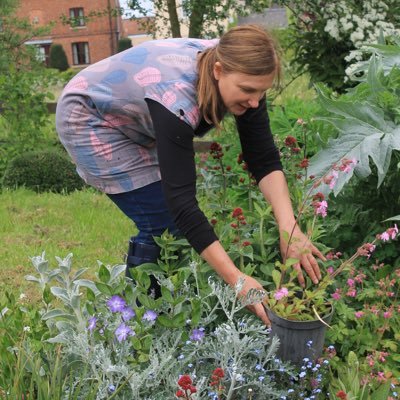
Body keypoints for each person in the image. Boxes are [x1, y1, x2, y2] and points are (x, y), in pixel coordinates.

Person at [56, 24, 325, 325]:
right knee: (163, 224)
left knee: (172, 227)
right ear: (219, 71)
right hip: (89, 117)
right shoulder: (177, 98)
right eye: (248, 91)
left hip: (137, 109)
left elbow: (262, 157)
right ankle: (136, 325)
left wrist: (290, 229)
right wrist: (238, 281)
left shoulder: (243, 70)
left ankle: (155, 313)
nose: (254, 102)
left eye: (261, 92)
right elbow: (182, 203)